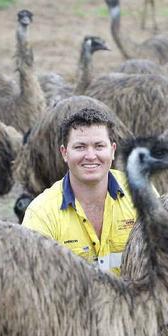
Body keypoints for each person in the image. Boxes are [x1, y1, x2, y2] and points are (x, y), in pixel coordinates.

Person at [22, 108, 140, 276]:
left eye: (99, 146)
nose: (91, 156)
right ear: (64, 153)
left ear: (113, 150)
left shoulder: (140, 193)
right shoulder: (41, 214)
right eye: (80, 147)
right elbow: (35, 283)